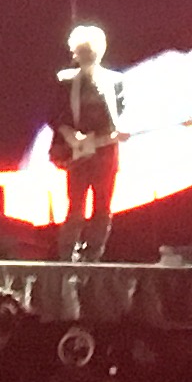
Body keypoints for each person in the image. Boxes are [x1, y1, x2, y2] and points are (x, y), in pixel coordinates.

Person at [51, 23, 130, 261]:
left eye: (89, 52)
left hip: (106, 152)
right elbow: (54, 114)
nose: (85, 57)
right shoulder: (65, 80)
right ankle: (66, 257)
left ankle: (92, 257)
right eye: (81, 52)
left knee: (102, 207)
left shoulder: (115, 81)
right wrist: (69, 135)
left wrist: (118, 131)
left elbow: (120, 115)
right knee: (76, 206)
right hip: (77, 152)